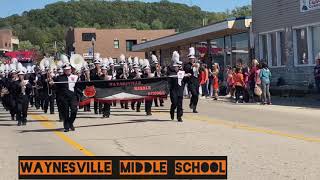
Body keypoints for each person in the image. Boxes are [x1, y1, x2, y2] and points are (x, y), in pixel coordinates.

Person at [54, 64, 79, 132]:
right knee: (65, 112)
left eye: (68, 69)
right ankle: (66, 127)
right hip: (63, 97)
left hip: (72, 96)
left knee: (74, 110)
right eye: (66, 70)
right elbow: (55, 87)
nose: (67, 71)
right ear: (64, 70)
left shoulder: (76, 77)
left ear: (71, 70)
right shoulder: (59, 78)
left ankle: (70, 123)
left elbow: (78, 87)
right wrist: (51, 84)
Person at [168, 51, 185, 122]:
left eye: (177, 67)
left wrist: (187, 75)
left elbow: (185, 80)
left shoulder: (182, 72)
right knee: (174, 103)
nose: (176, 68)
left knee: (180, 104)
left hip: (180, 90)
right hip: (173, 90)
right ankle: (172, 111)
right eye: (175, 67)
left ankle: (179, 117)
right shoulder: (171, 73)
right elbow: (168, 82)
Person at [184, 47, 199, 113]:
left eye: (193, 58)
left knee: (196, 95)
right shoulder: (187, 65)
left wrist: (199, 67)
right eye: (191, 59)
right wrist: (191, 67)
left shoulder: (197, 64)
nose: (192, 60)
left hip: (196, 81)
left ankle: (194, 107)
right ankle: (191, 104)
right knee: (194, 94)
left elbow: (201, 71)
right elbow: (186, 69)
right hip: (190, 82)